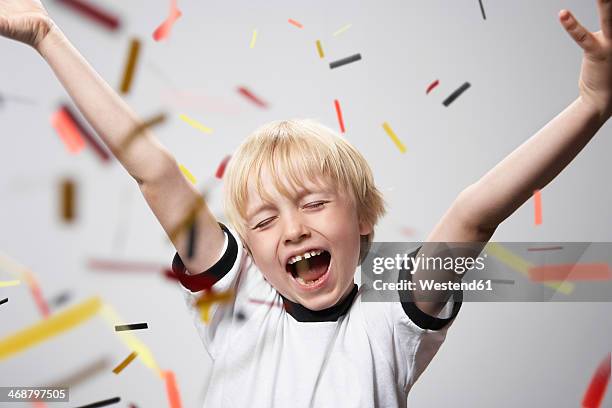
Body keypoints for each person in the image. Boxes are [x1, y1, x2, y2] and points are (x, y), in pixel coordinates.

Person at [1, 0, 610, 406]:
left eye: (313, 204)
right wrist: (47, 35)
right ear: (253, 253)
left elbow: (476, 212)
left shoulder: (391, 321)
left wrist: (591, 104)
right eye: (264, 220)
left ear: (365, 220)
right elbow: (154, 171)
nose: (290, 230)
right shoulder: (234, 300)